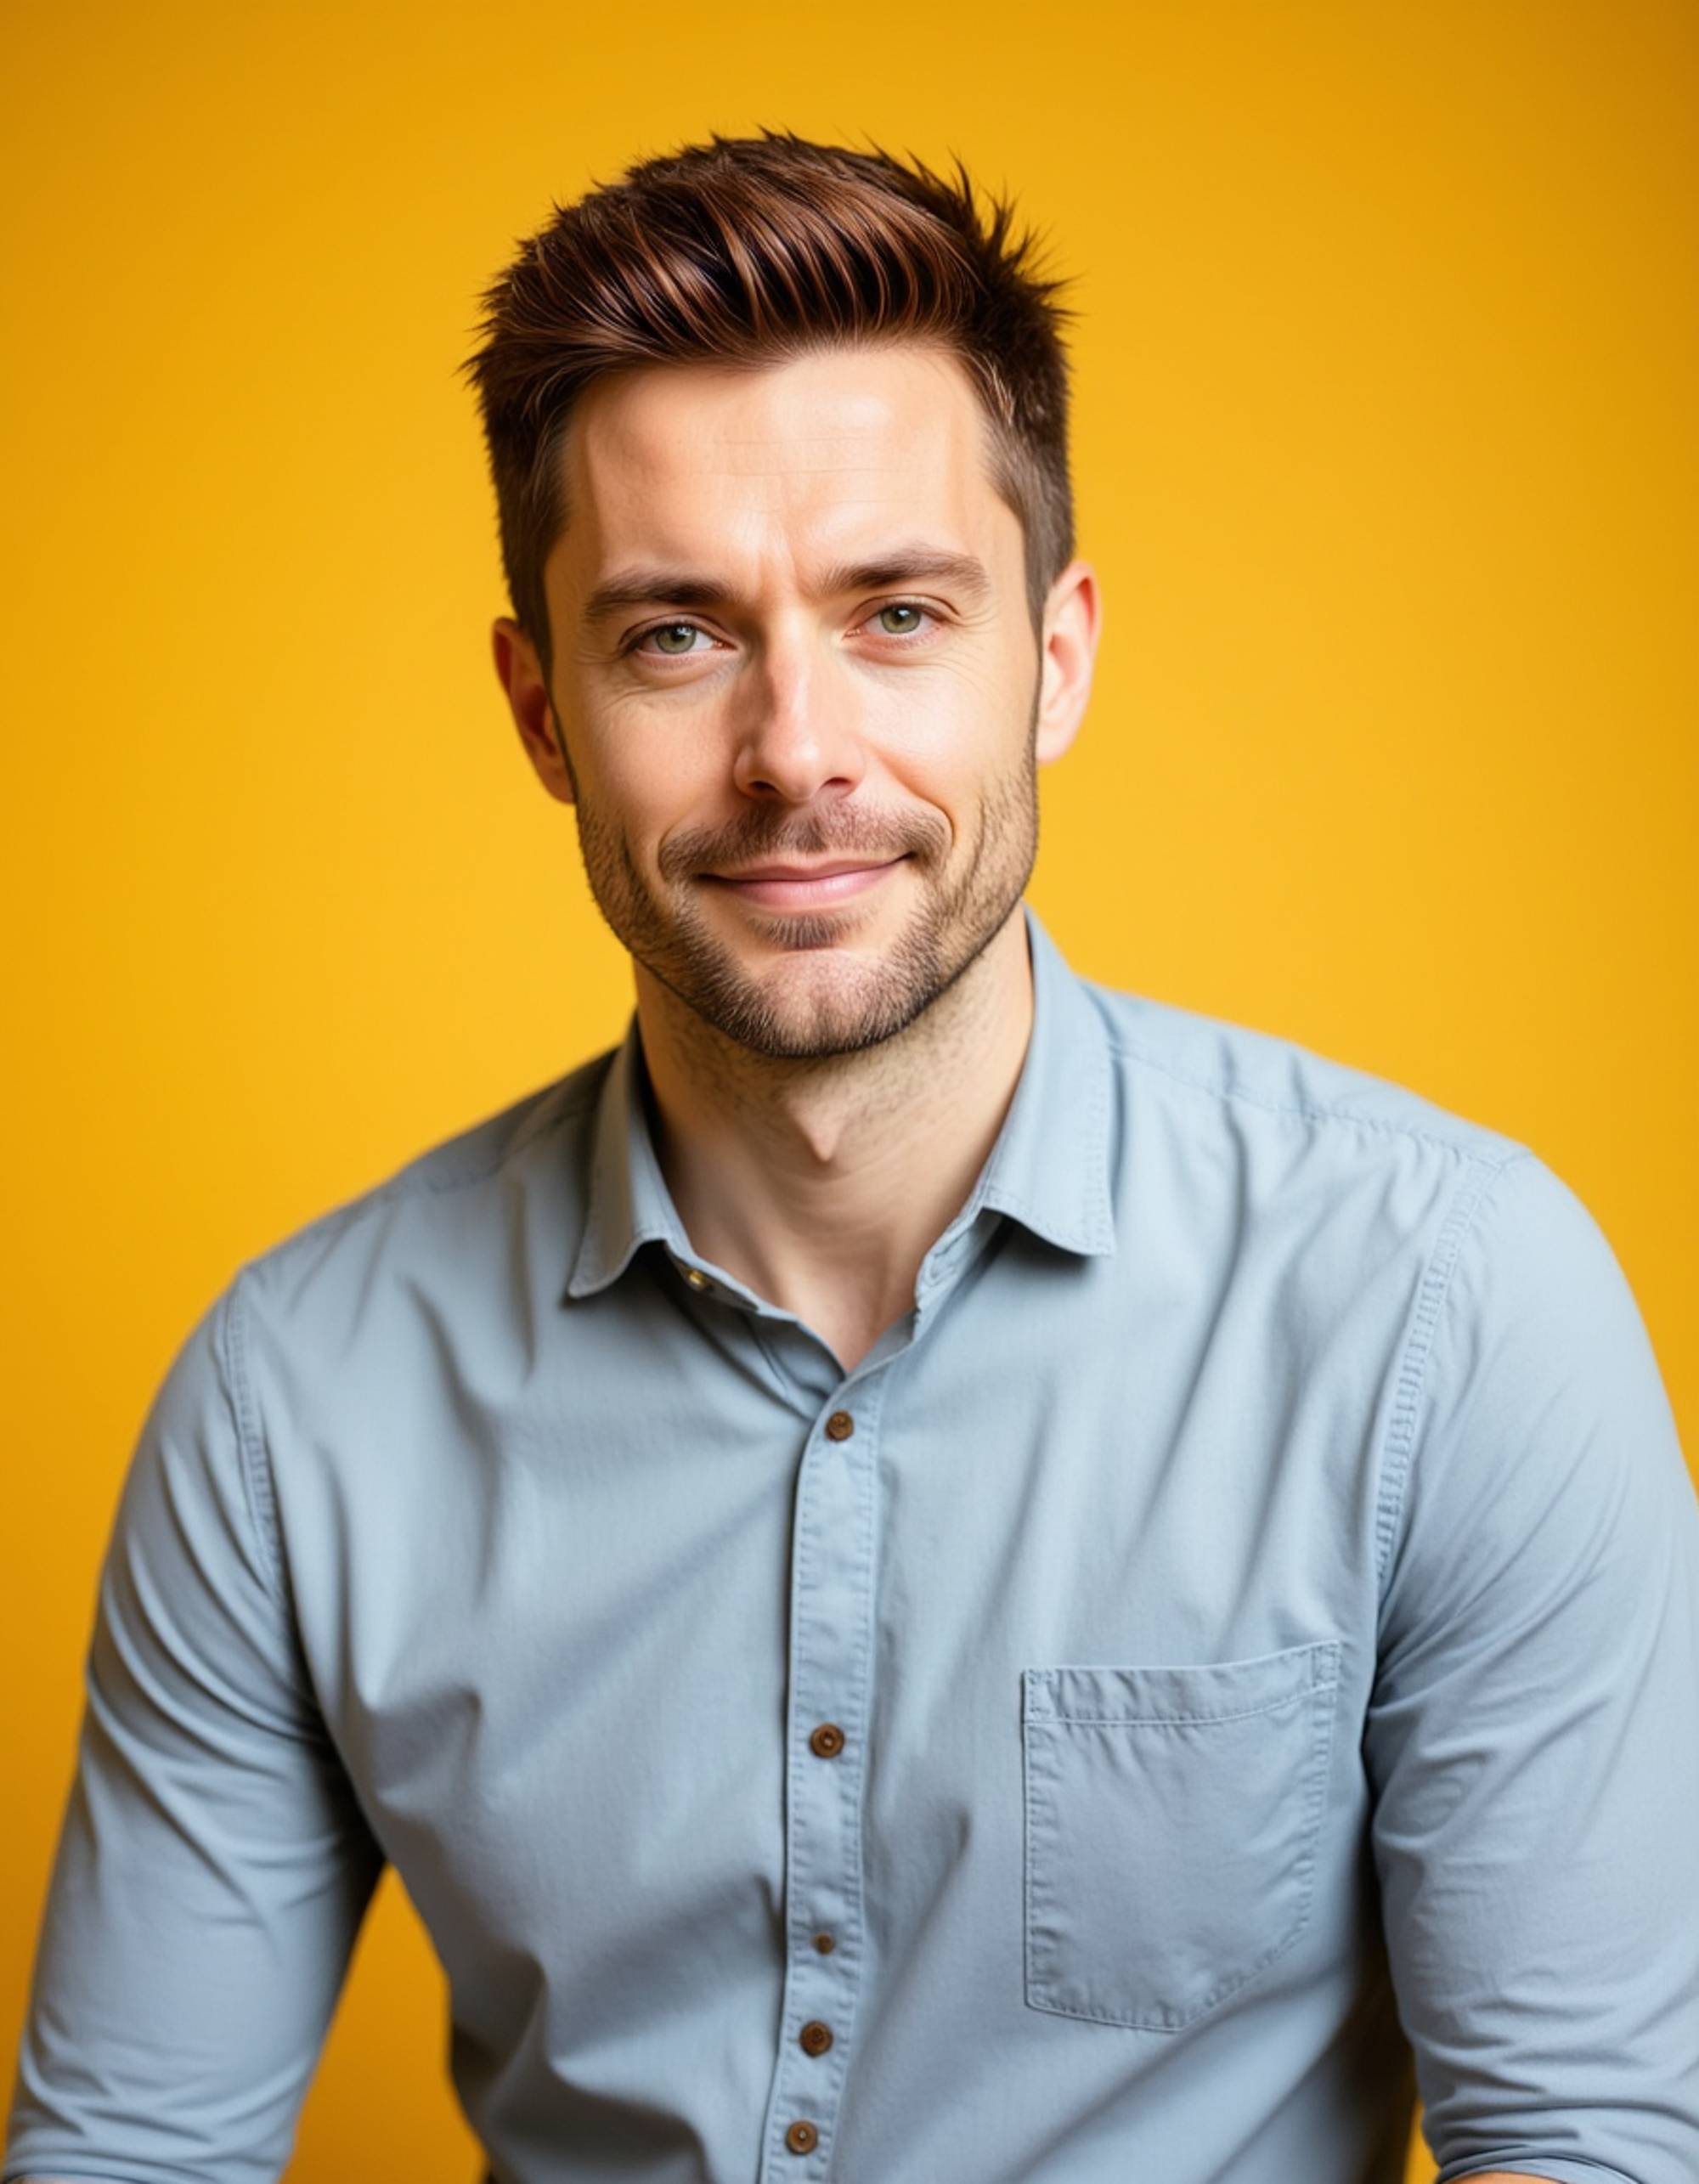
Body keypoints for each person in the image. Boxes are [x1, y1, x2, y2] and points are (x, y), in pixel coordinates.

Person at [5, 127, 1696, 2184]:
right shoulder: (294, 1405)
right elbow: (125, 2158)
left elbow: (1590, 2141)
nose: (797, 749)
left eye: (896, 612)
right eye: (673, 636)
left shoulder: (1452, 1303)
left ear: (1051, 657)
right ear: (541, 711)